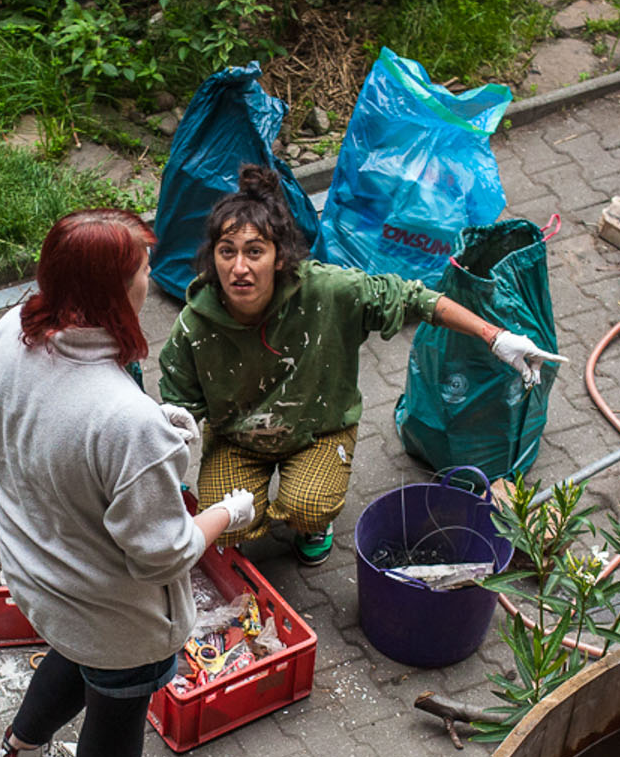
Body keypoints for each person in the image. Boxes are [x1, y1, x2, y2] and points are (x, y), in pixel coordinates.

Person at [0, 209, 255, 757]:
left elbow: (2, 434)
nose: (148, 279)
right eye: (141, 270)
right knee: (119, 707)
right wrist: (224, 513)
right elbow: (164, 550)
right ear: (110, 293)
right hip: (113, 607)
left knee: (74, 655)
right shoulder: (125, 423)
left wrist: (155, 436)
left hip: (36, 566)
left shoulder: (9, 331)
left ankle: (21, 756)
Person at [157, 166, 562, 563]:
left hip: (318, 428)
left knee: (308, 507)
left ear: (279, 258)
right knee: (226, 525)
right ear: (213, 256)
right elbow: (177, 407)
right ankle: (248, 517)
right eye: (227, 252)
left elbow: (413, 298)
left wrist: (494, 336)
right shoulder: (196, 324)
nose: (239, 268)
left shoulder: (328, 291)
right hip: (238, 438)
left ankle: (312, 525)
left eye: (254, 252)